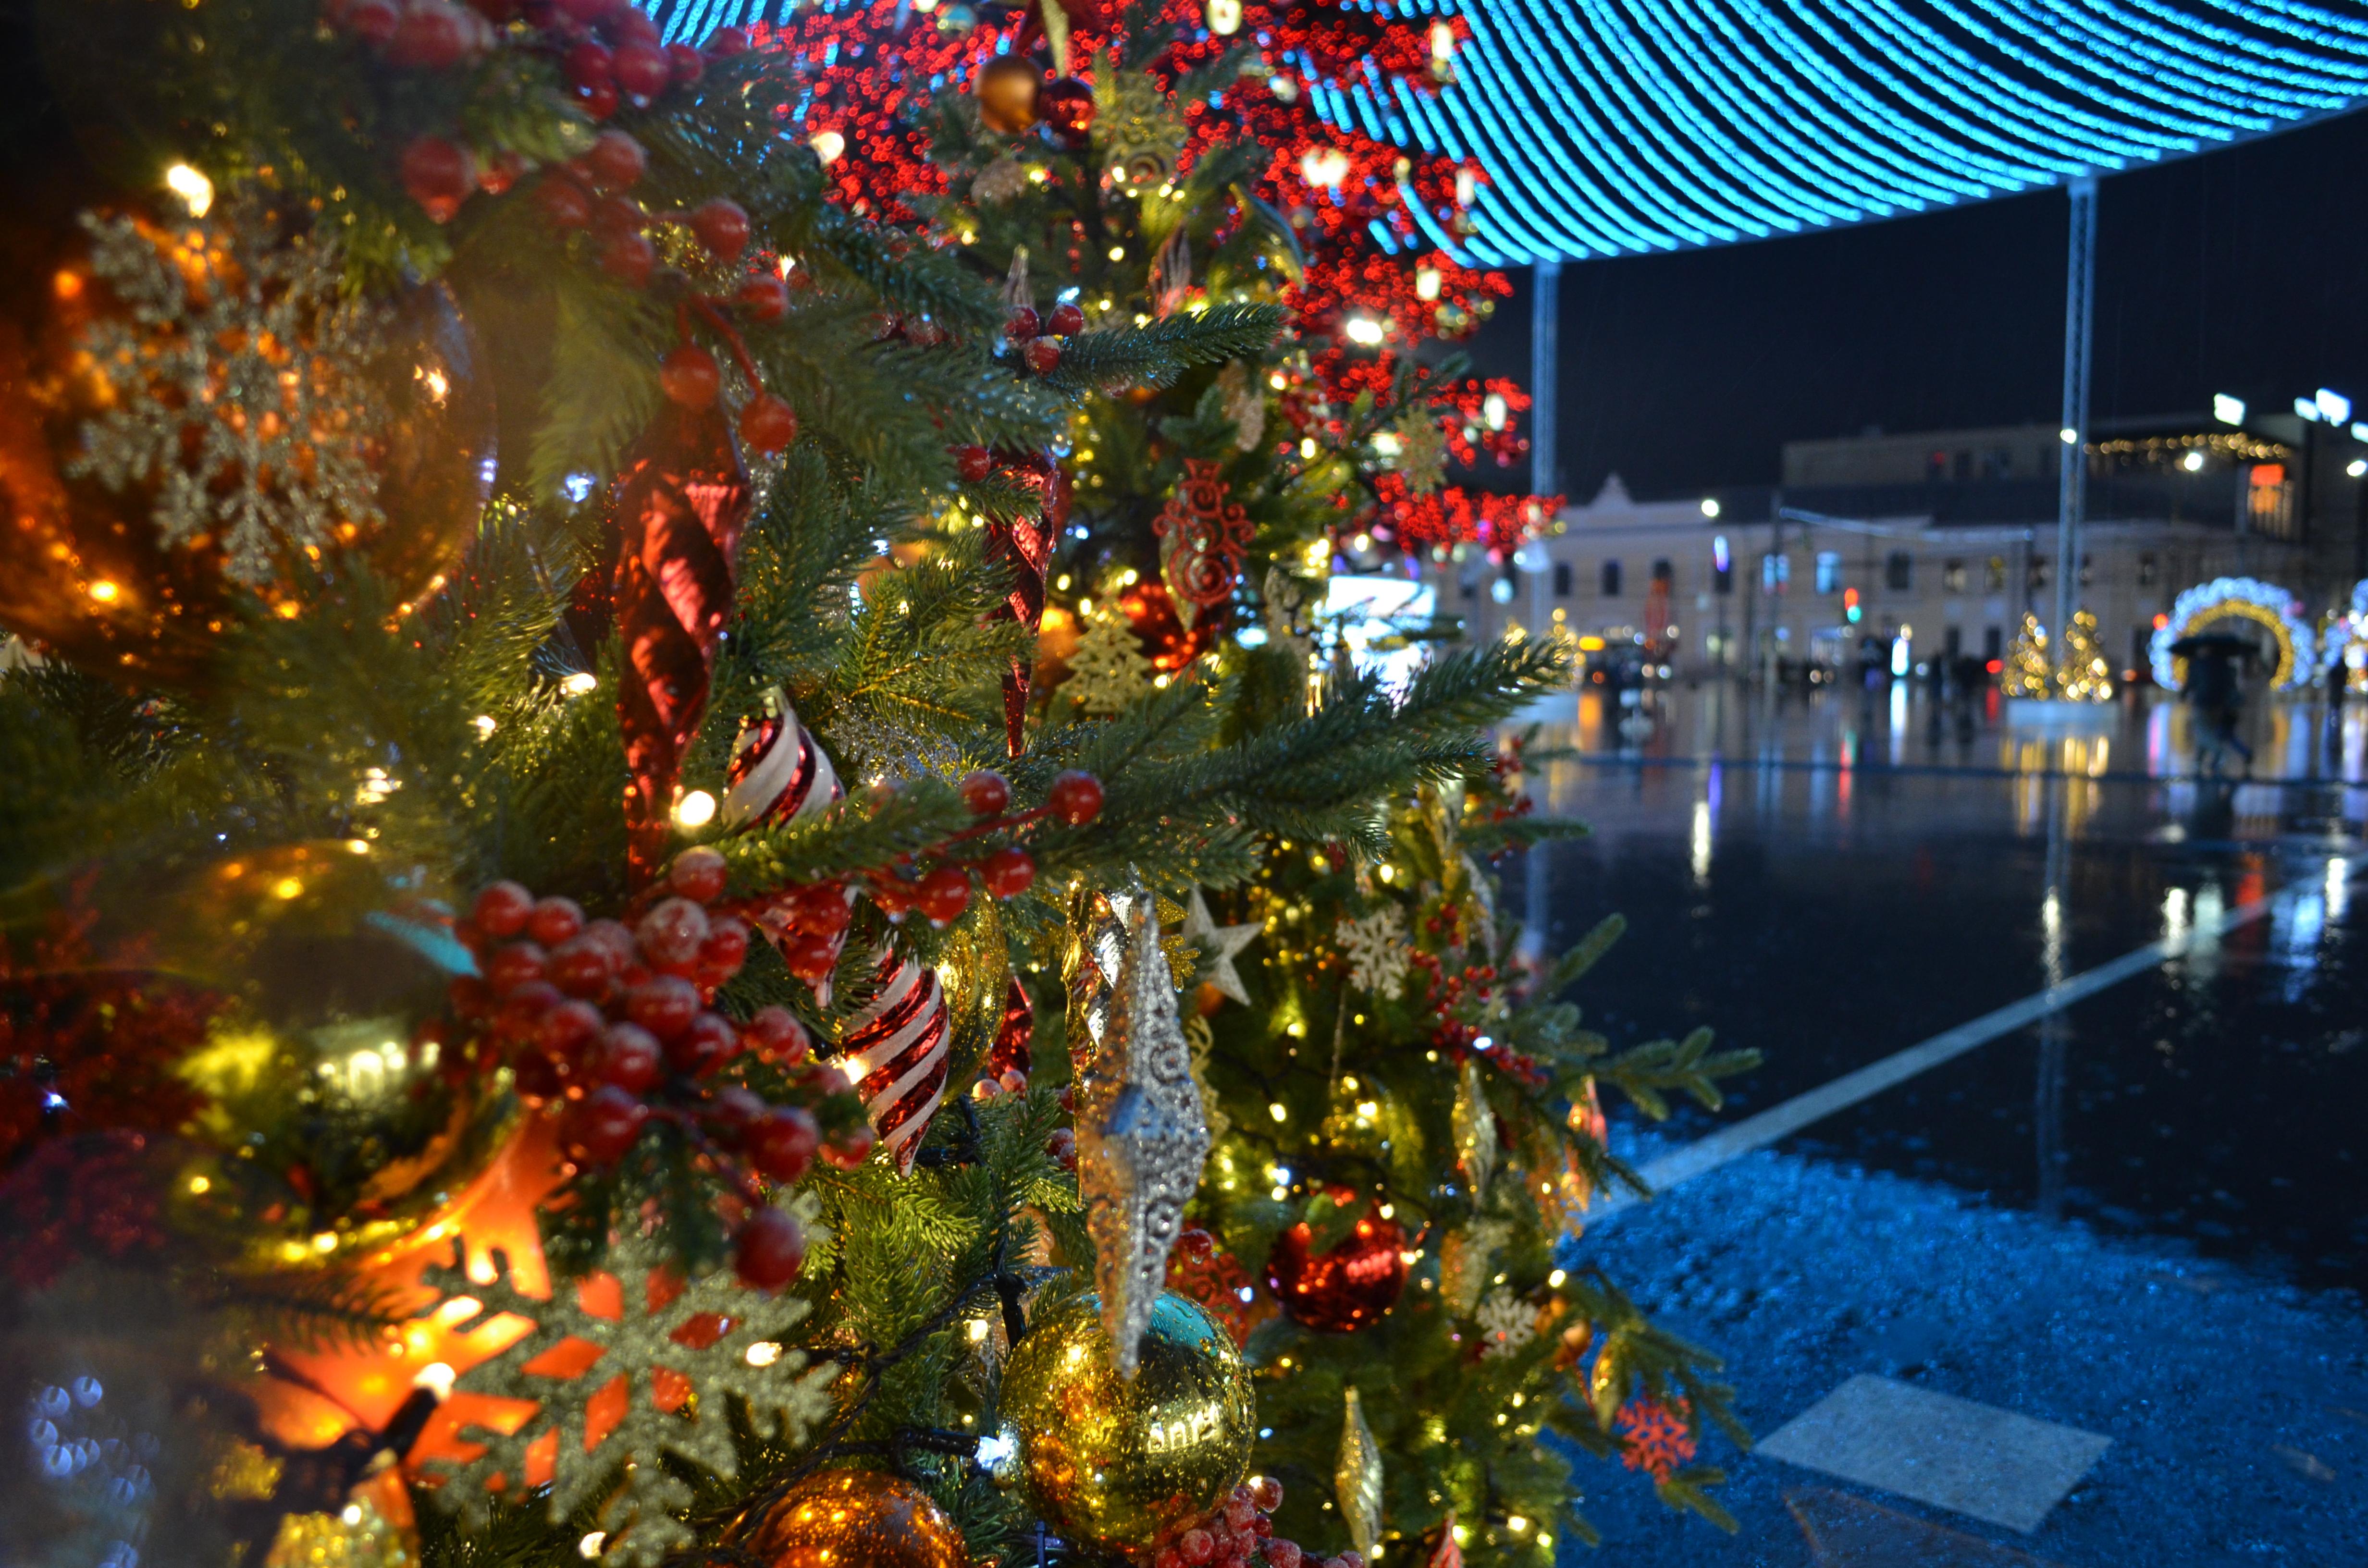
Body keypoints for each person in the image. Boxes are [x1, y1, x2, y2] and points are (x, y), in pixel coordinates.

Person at [2173, 634, 2254, 776]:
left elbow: (2191, 683)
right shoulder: (2224, 665)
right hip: (2219, 705)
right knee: (2207, 730)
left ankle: (2219, 753)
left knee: (2203, 732)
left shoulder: (2198, 664)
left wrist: (2183, 696)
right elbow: (2230, 685)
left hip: (2202, 703)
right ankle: (2198, 761)